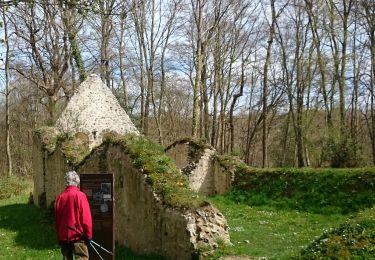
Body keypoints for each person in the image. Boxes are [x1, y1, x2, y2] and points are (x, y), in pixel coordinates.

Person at [55, 171, 92, 260]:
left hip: (64, 236)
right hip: (78, 235)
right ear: (77, 182)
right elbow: (86, 218)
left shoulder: (60, 197)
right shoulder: (80, 195)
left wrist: (59, 236)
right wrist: (88, 235)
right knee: (82, 257)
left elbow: (57, 219)